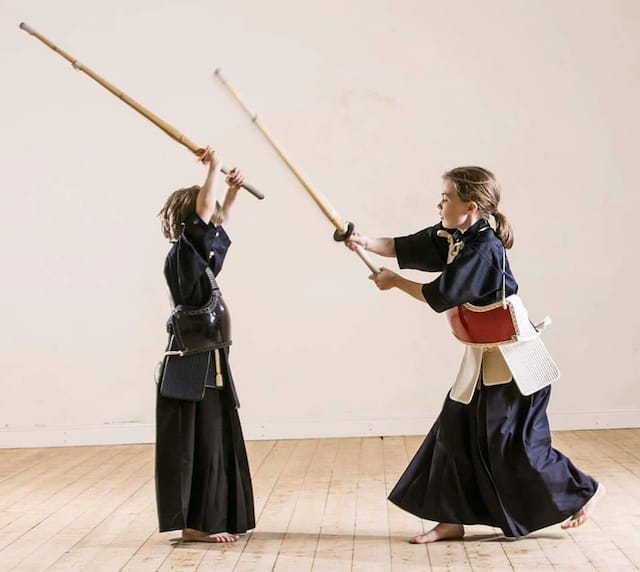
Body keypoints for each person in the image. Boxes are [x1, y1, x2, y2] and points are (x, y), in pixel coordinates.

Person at [345, 166, 603, 542]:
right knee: (453, 434)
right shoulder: (456, 237)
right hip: (483, 357)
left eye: (446, 197)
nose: (439, 203)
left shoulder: (484, 249)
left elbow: (439, 295)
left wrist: (395, 282)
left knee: (515, 448)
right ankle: (451, 520)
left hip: (515, 365)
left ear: (469, 206)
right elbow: (403, 246)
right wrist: (362, 241)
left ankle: (585, 491)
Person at [155, 150, 255, 543]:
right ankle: (195, 525)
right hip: (191, 369)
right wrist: (212, 169)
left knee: (216, 440)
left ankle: (215, 516)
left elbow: (216, 223)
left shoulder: (202, 259)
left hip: (210, 367)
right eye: (207, 211)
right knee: (195, 444)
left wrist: (232, 194)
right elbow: (203, 216)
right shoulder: (183, 254)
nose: (213, 221)